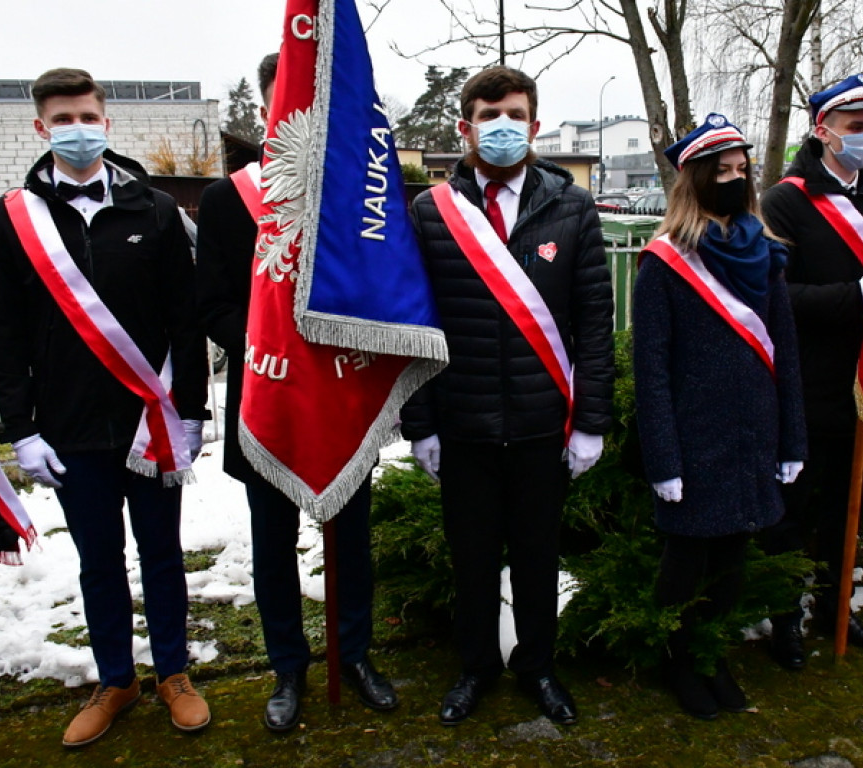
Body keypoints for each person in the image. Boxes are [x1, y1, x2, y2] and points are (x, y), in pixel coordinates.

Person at [0, 68, 210, 746]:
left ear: (106, 121)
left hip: (150, 425)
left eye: (87, 116)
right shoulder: (15, 219)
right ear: (40, 128)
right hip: (69, 430)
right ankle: (116, 679)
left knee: (162, 555)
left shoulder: (151, 209)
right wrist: (22, 430)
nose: (77, 129)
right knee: (98, 561)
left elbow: (187, 319)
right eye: (62, 119)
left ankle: (173, 673)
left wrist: (194, 412)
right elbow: (4, 334)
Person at [401, 66, 614, 726]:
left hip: (539, 425)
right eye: (488, 114)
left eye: (514, 114)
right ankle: (474, 669)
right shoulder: (431, 212)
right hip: (462, 424)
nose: (502, 126)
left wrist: (591, 423)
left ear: (535, 123)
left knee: (535, 560)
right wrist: (420, 424)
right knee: (471, 561)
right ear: (464, 126)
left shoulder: (570, 205)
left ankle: (538, 667)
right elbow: (414, 323)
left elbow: (595, 319)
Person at [196, 53, 397, 733]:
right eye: (289, 97)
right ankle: (288, 666)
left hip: (341, 398)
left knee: (350, 543)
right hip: (269, 400)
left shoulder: (362, 197)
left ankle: (357, 656)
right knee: (273, 545)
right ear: (265, 108)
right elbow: (213, 304)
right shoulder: (229, 199)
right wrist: (271, 347)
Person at [632, 114, 806, 720]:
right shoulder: (664, 263)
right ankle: (676, 659)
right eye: (721, 171)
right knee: (686, 565)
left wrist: (792, 440)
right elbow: (650, 370)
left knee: (732, 563)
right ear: (695, 180)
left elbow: (784, 353)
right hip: (693, 439)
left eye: (741, 170)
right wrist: (663, 459)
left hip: (752, 435)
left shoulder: (765, 255)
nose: (733, 180)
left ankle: (712, 654)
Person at [759, 73, 863, 669]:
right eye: (854, 127)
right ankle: (785, 618)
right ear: (822, 130)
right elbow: (774, 297)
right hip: (806, 380)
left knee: (847, 506)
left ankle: (838, 606)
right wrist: (856, 295)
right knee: (793, 511)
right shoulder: (784, 201)